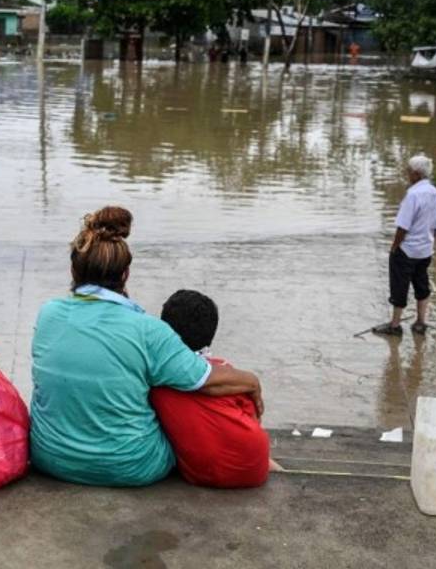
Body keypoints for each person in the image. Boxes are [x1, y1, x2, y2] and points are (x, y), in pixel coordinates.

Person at [29, 206, 263, 487]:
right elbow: (206, 381)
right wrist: (252, 381)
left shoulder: (48, 314)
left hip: (49, 457)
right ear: (126, 274)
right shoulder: (147, 330)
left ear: (73, 269)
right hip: (131, 465)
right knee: (170, 386)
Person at [150, 290, 276, 488]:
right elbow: (252, 417)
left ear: (165, 331)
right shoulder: (228, 374)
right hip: (253, 470)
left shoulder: (158, 379)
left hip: (197, 473)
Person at [373, 154, 436, 337]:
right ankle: (421, 322)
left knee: (399, 285)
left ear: (416, 174)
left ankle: (395, 325)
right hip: (425, 250)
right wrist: (429, 242)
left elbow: (403, 227)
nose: (406, 174)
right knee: (422, 284)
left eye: (408, 171)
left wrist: (394, 247)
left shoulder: (412, 195)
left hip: (407, 249)